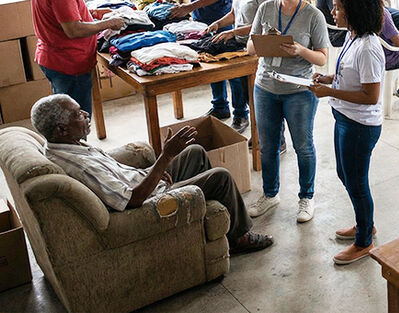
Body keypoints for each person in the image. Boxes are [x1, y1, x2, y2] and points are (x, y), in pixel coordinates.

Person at [33, 94, 272, 254]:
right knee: (220, 177)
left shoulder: (65, 144)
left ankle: (213, 221)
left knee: (195, 152)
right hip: (147, 203)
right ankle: (239, 238)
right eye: (78, 114)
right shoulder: (78, 165)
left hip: (144, 184)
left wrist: (153, 171)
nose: (86, 114)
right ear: (61, 129)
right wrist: (165, 157)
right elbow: (132, 200)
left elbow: (119, 176)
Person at [245, 0, 329, 224]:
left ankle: (307, 197)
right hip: (265, 87)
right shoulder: (266, 8)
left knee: (303, 146)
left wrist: (299, 51)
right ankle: (270, 194)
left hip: (298, 90)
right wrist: (265, 44)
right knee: (267, 145)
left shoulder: (313, 15)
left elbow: (323, 59)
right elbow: (250, 46)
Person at [308, 0, 385, 265]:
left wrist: (329, 92)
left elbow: (370, 95)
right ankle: (365, 223)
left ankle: (364, 240)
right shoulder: (353, 36)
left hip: (360, 126)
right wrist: (330, 79)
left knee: (356, 181)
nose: (333, 12)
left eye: (338, 8)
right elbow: (351, 77)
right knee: (346, 175)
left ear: (352, 9)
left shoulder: (368, 47)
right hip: (344, 118)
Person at [30, 0, 126, 116]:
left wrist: (91, 15)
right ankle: (77, 145)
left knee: (64, 115)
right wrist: (107, 23)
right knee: (75, 120)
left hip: (53, 58)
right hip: (68, 63)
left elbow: (58, 16)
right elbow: (73, 29)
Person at [205, 0, 276, 132]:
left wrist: (233, 32)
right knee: (245, 92)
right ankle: (252, 124)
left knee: (257, 97)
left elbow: (266, 23)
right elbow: (235, 14)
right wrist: (219, 24)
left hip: (256, 47)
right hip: (241, 43)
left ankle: (275, 138)